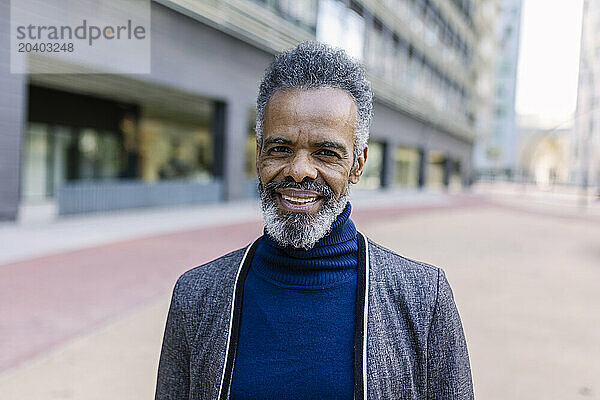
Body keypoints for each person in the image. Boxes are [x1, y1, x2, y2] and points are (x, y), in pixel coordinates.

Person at [155, 41, 473, 400]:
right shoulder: (197, 296)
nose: (299, 171)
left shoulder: (423, 299)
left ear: (358, 164)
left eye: (325, 152)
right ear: (259, 155)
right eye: (280, 149)